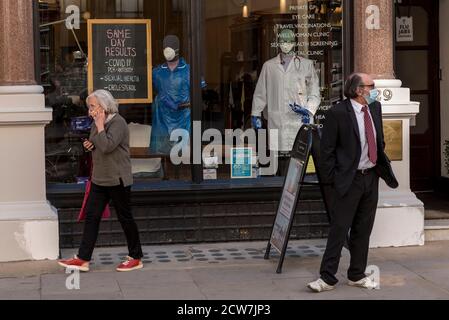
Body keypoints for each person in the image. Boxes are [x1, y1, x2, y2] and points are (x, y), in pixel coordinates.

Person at [307, 73, 398, 292]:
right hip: (349, 179)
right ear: (359, 90)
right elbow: (326, 151)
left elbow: (379, 140)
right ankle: (327, 278)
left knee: (363, 229)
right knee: (339, 228)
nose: (375, 89)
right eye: (371, 86)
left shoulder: (374, 107)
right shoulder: (338, 113)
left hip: (371, 176)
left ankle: (357, 274)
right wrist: (333, 181)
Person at [58, 90, 144, 272]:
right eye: (89, 107)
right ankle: (83, 258)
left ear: (104, 105)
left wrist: (99, 126)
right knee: (92, 217)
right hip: (100, 178)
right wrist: (89, 144)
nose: (90, 111)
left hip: (117, 178)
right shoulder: (98, 123)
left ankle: (135, 256)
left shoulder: (118, 122)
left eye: (92, 106)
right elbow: (96, 142)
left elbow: (107, 146)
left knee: (125, 217)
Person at [251, 29, 321, 153]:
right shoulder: (269, 66)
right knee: (278, 156)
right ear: (278, 43)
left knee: (301, 155)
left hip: (300, 119)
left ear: (294, 43)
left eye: (288, 41)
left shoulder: (306, 65)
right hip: (277, 119)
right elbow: (261, 92)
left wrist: (308, 110)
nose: (285, 44)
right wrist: (256, 113)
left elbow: (314, 92)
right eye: (283, 41)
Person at [150, 35, 206, 154]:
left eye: (170, 47)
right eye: (165, 47)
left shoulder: (190, 71)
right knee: (163, 154)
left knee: (185, 155)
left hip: (184, 119)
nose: (167, 50)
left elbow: (200, 93)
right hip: (162, 120)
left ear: (177, 49)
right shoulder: (156, 72)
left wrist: (186, 104)